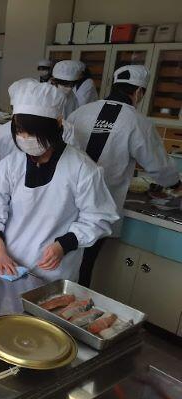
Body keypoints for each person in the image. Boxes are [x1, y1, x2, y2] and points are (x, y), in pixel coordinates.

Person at [0, 80, 118, 282]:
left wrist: (64, 244)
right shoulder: (11, 164)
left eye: (34, 132)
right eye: (19, 131)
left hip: (53, 273)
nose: (26, 138)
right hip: (7, 265)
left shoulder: (82, 168)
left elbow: (98, 217)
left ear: (58, 124)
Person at [67, 65, 181, 287]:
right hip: (99, 206)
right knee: (84, 265)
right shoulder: (137, 121)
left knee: (63, 259)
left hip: (66, 198)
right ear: (138, 92)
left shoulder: (81, 112)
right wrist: (176, 184)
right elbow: (159, 167)